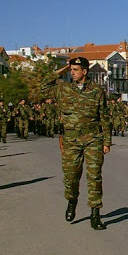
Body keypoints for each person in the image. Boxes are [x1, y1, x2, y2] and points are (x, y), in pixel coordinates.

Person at [44, 57, 111, 230]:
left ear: (85, 71)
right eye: (71, 69)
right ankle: (72, 200)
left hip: (92, 138)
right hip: (70, 140)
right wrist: (64, 69)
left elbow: (104, 116)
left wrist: (107, 141)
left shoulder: (97, 91)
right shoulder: (63, 89)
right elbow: (44, 83)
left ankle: (95, 214)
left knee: (94, 176)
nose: (72, 72)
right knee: (71, 177)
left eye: (75, 69)